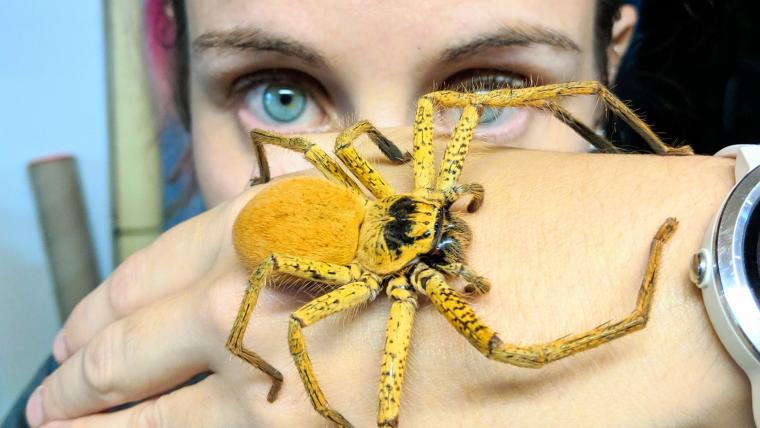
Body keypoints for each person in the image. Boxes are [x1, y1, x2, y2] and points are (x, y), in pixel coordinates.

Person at [12, 0, 752, 426]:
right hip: (352, 259)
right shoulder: (101, 383)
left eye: (492, 80)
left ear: (614, 52)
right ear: (174, 87)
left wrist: (715, 233)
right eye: (282, 94)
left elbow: (398, 134)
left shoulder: (404, 173)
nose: (398, 136)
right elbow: (297, 326)